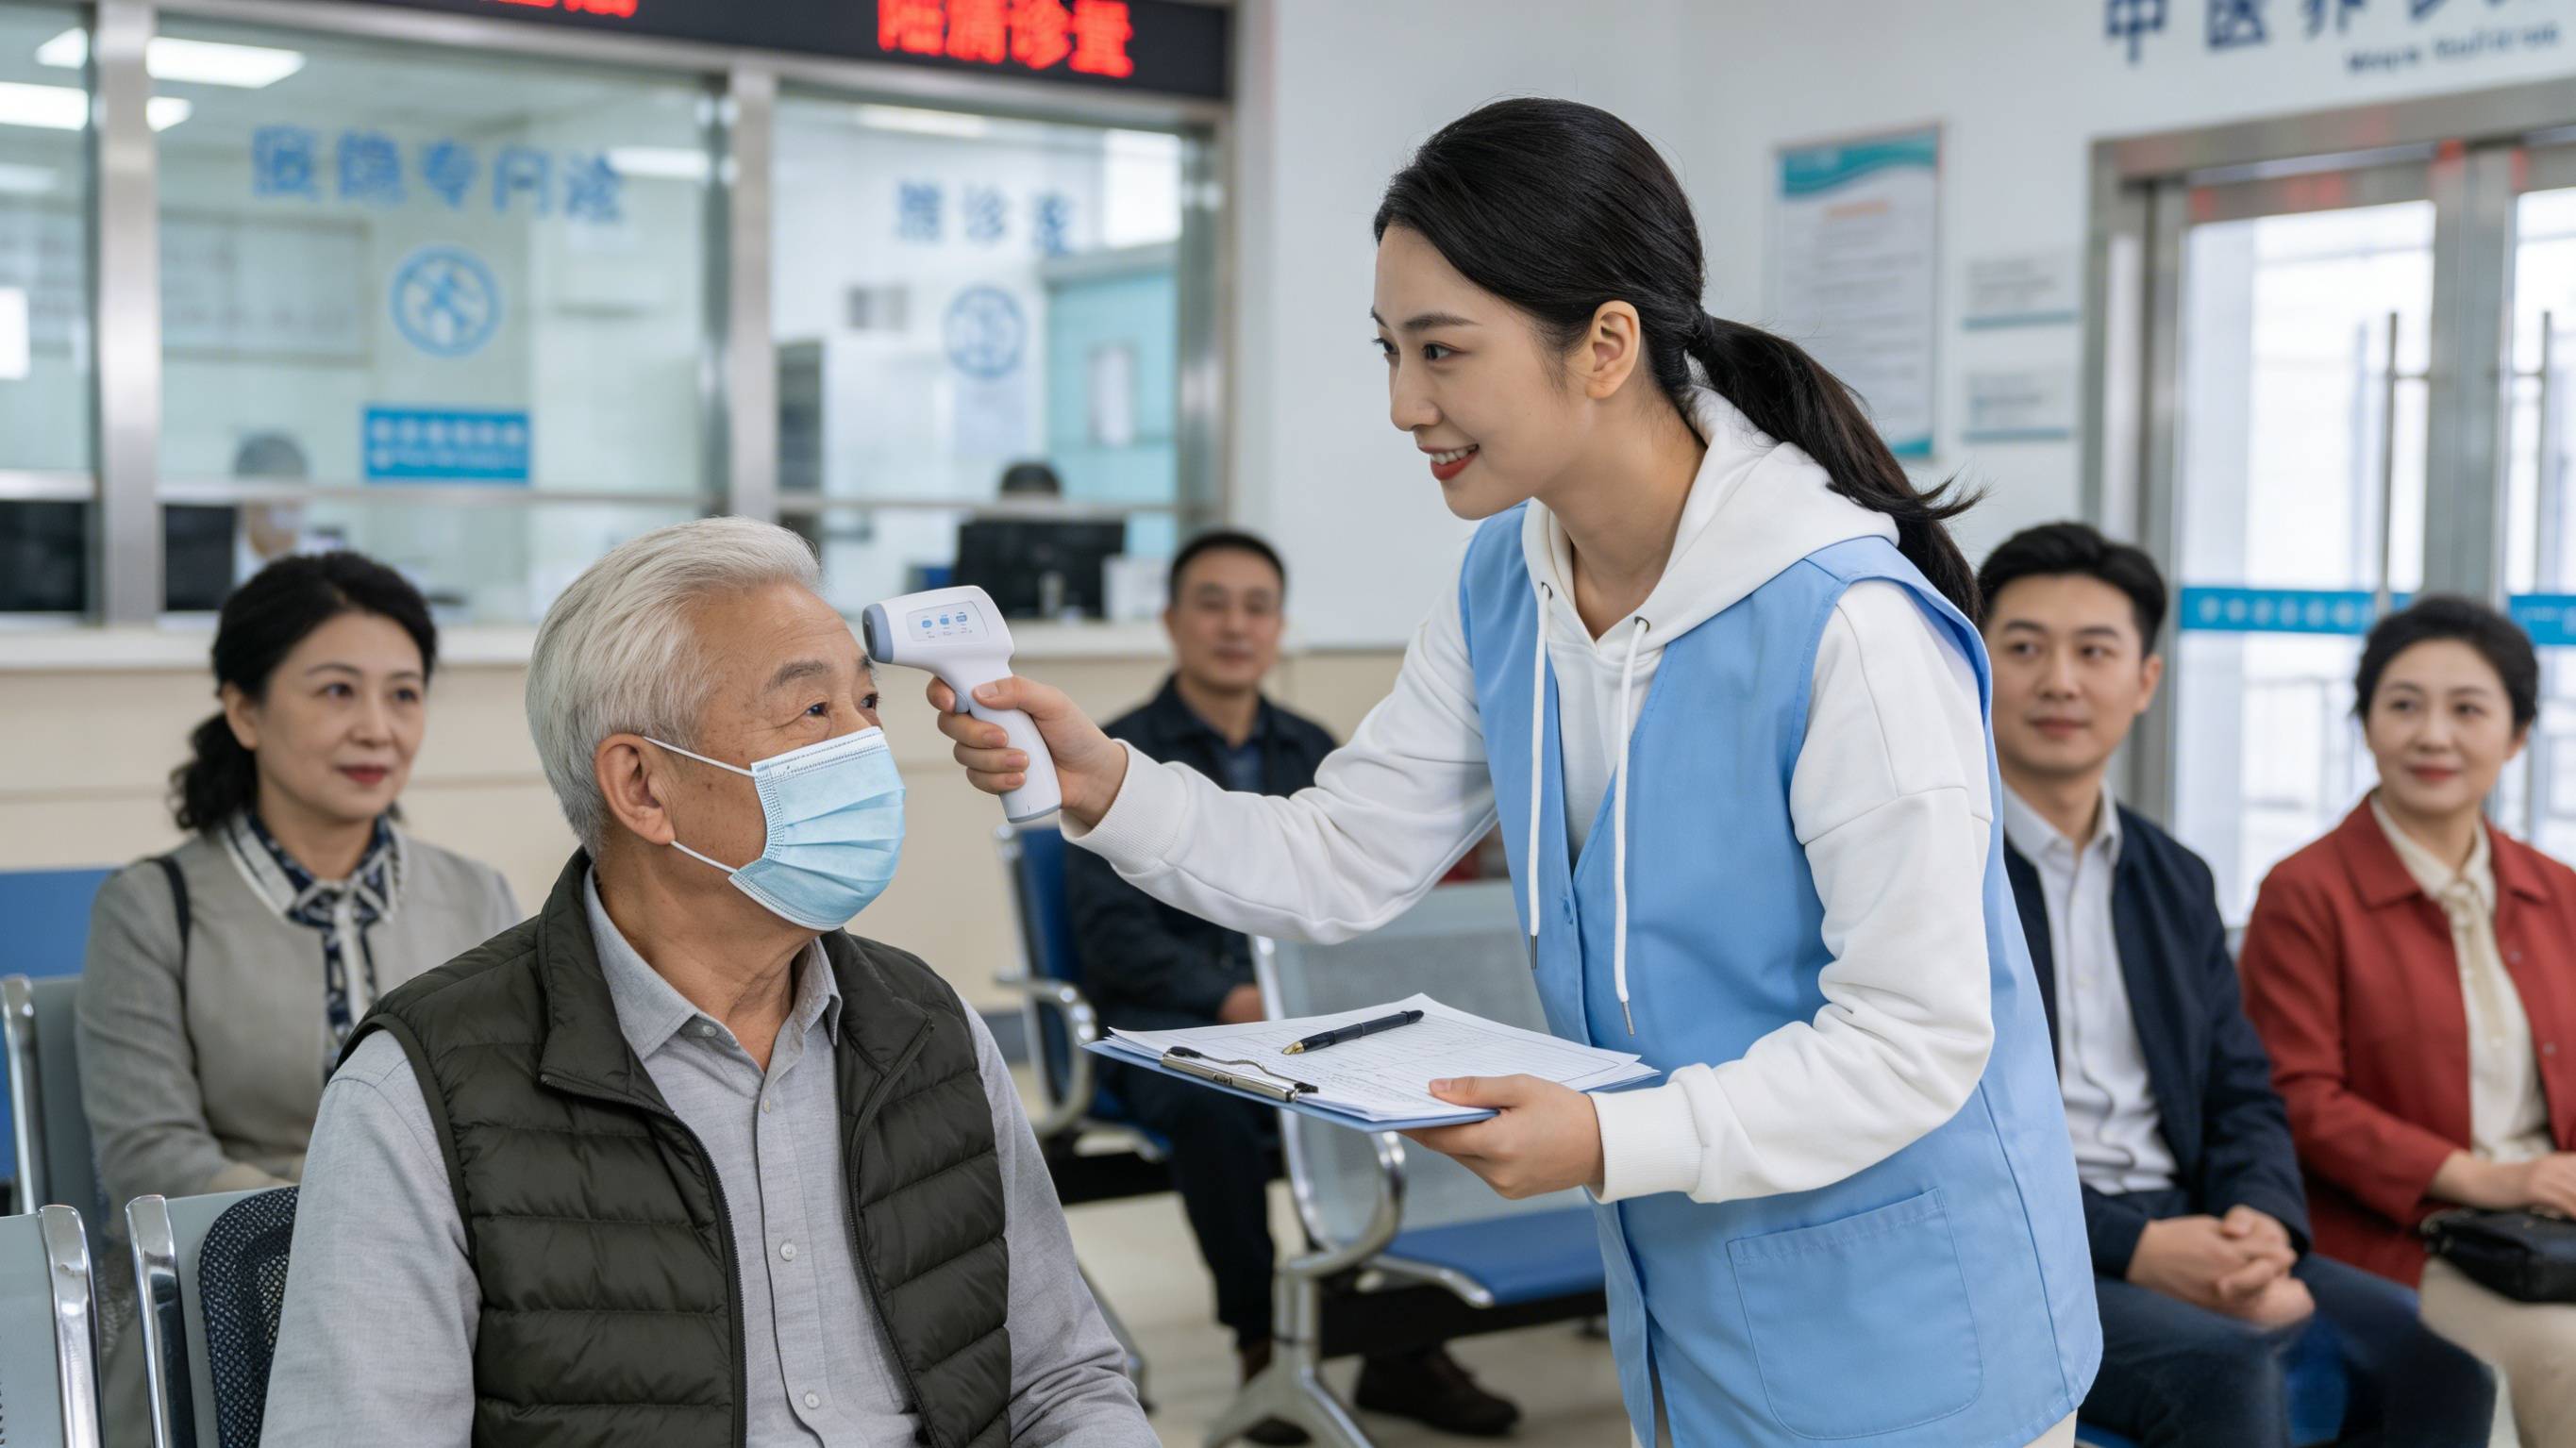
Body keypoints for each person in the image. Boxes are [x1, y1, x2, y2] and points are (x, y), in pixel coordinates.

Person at [930, 99, 2098, 1447]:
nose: (1401, 402)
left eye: (1441, 351)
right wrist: (1106, 783)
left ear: (1604, 344)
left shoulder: (1843, 622)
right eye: (1389, 349)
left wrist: (1604, 1139)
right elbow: (1342, 852)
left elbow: (1916, 1038)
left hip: (1913, 1341)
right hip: (1698, 1303)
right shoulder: (1509, 580)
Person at [260, 518, 1150, 1447]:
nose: (866, 752)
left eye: (866, 704)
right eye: (813, 715)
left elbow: (1063, 1381)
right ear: (643, 785)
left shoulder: (930, 1029)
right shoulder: (418, 1094)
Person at [1980, 524, 2493, 1447]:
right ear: (1977, 665)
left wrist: (2262, 1223)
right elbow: (1954, 1124)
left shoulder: (2174, 874)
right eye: (2023, 647)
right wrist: (2136, 1249)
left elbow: (2241, 1087)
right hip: (2020, 1246)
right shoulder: (1944, 866)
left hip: (2189, 1215)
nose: (2060, 679)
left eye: (2094, 650)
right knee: (2224, 1369)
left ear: (2144, 681)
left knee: (2445, 1365)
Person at [1065, 528, 1517, 1441]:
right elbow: (1114, 936)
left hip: (1301, 1017)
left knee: (1412, 1081)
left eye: (1257, 606)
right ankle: (1264, 1343)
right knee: (1221, 1110)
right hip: (1173, 1021)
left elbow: (1364, 906)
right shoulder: (1118, 753)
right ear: (1172, 619)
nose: (1236, 624)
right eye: (1213, 602)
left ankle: (1400, 1341)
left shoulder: (1313, 748)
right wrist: (1232, 1000)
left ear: (1278, 627)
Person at [77, 551, 520, 1444]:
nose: (376, 729)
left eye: (404, 694)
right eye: (334, 691)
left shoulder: (477, 897)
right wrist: (348, 1236)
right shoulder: (152, 906)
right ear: (244, 710)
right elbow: (149, 1157)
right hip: (213, 1310)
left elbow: (519, 1126)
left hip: (454, 1310)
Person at [2241, 594, 2576, 1448]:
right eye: (2404, 704)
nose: (2434, 735)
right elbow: (2299, 1097)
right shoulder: (2306, 891)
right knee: (2561, 1354)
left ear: (2516, 735)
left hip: (2555, 1225)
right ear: (2364, 723)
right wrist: (2488, 1177)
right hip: (2405, 1239)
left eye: (2468, 709)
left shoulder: (2559, 891)